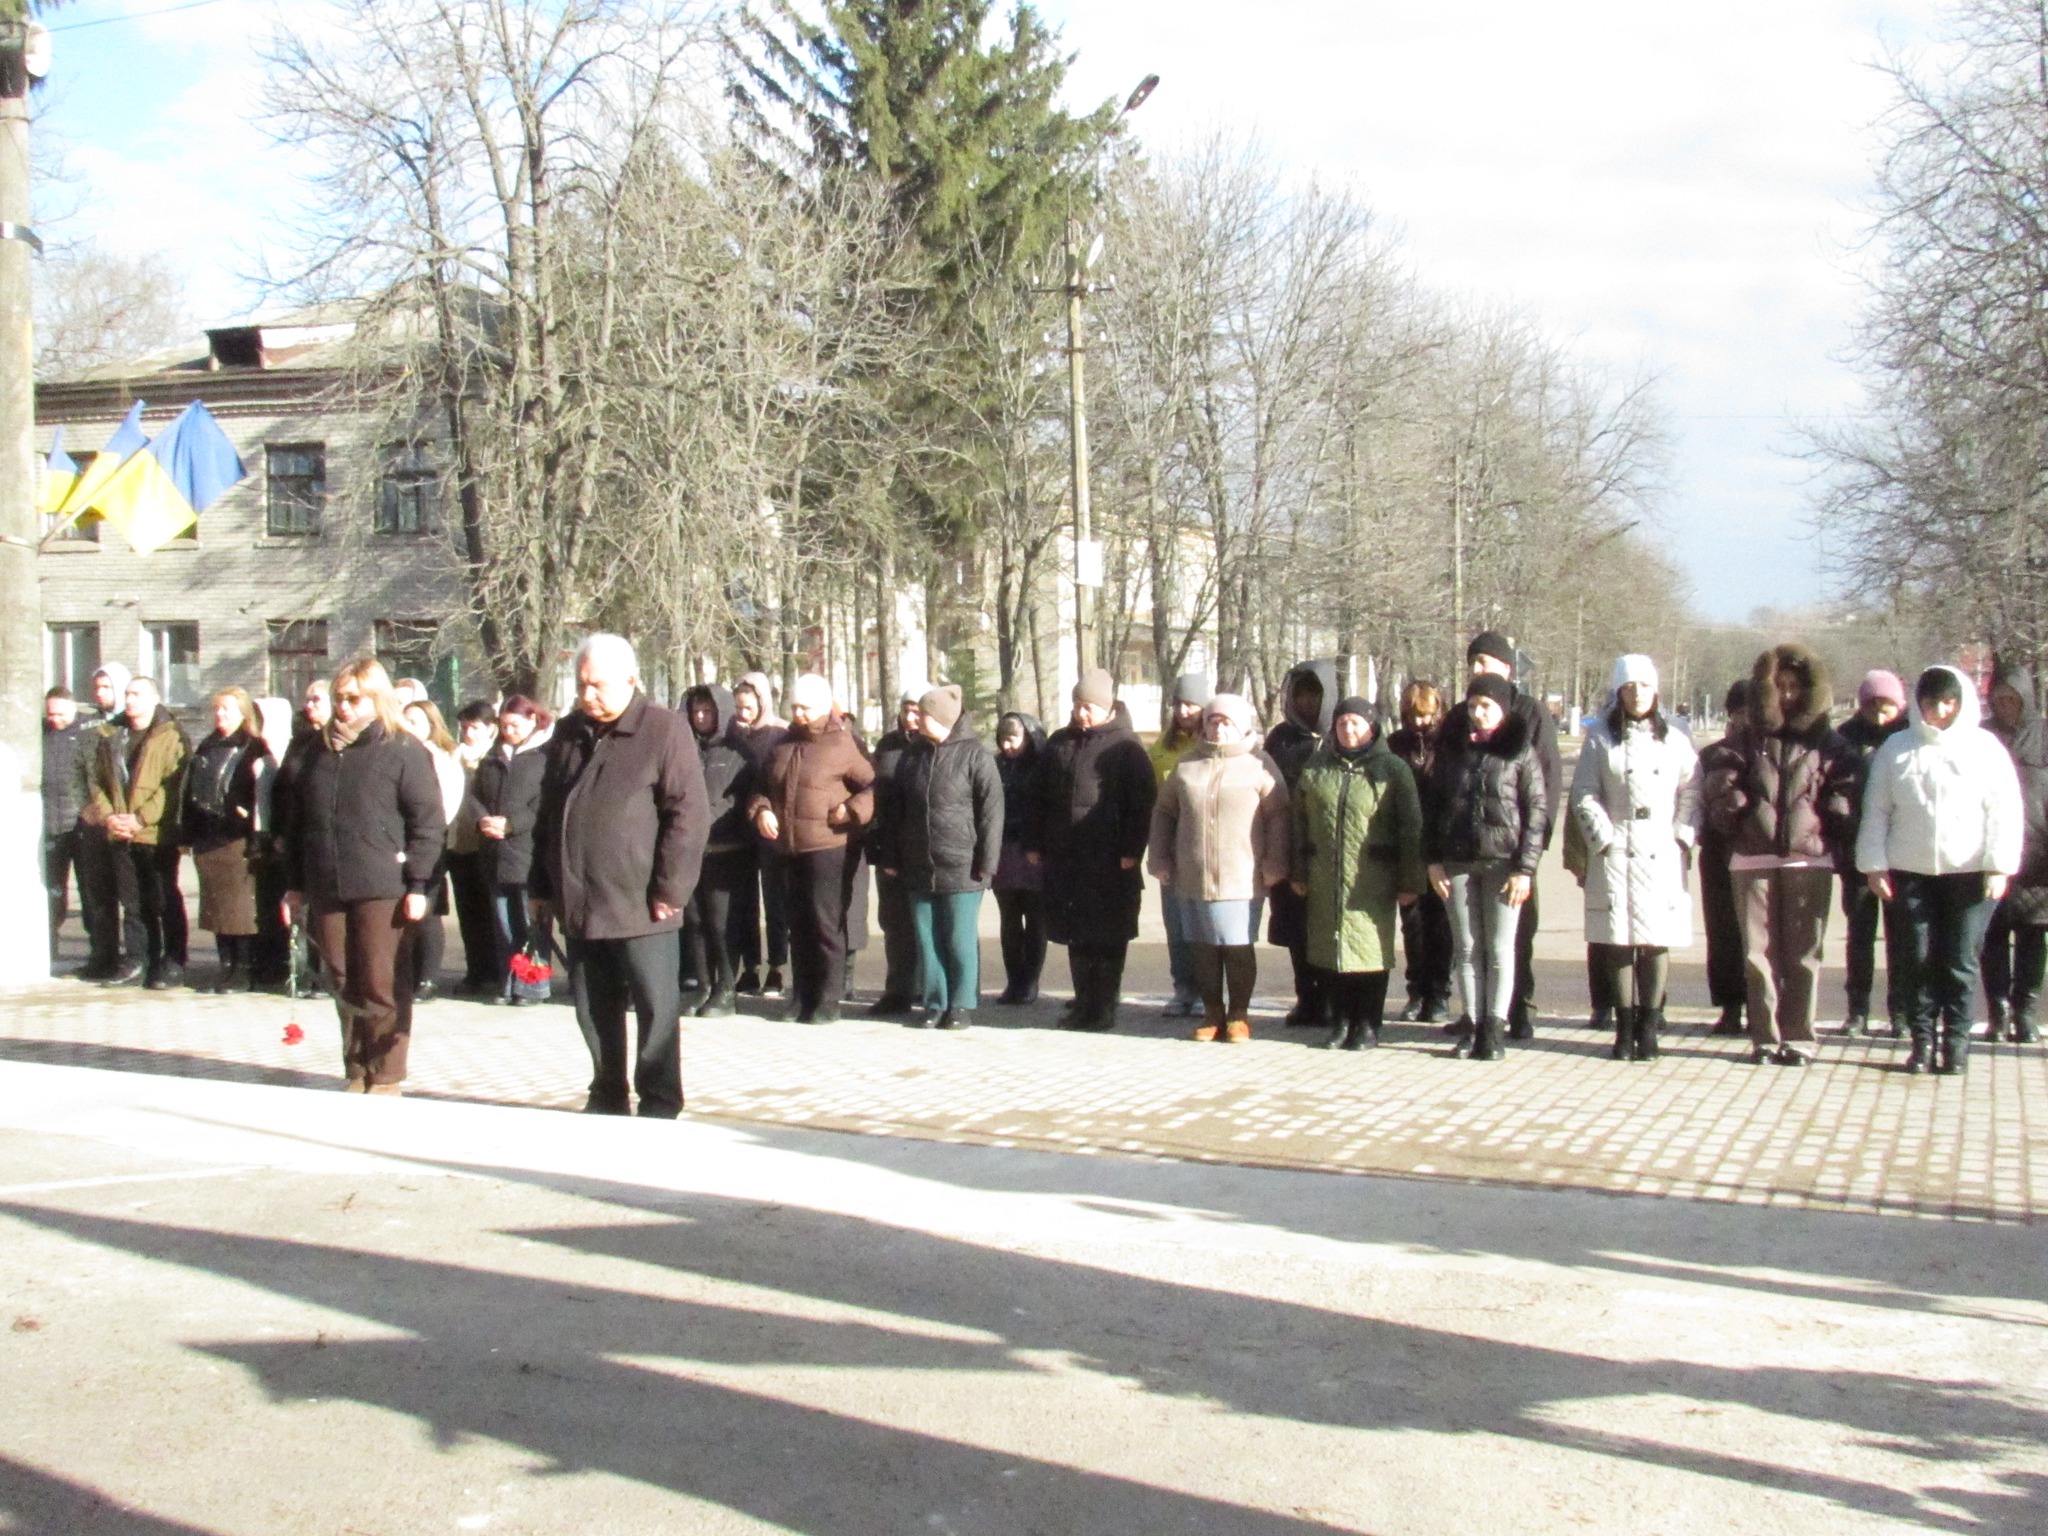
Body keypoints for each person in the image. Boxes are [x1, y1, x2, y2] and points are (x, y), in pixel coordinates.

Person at [532, 634, 710, 1115]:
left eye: (599, 686)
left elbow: (689, 815)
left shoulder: (663, 730)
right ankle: (607, 1092)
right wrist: (541, 886)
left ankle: (659, 1098)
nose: (587, 695)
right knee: (593, 1008)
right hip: (580, 898)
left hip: (643, 902)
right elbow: (548, 813)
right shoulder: (568, 733)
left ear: (631, 680)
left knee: (656, 1009)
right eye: (581, 685)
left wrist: (671, 888)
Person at [280, 659, 446, 1094]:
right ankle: (357, 1067)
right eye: (339, 698)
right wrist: (294, 884)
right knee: (340, 978)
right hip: (327, 882)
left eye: (355, 699)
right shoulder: (316, 751)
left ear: (377, 699)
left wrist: (419, 883)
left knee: (379, 980)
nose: (344, 707)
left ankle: (386, 1072)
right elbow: (296, 824)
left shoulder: (402, 749)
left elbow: (428, 823)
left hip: (383, 885)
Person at [1858, 666, 2023, 1075]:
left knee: (1959, 962)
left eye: (1949, 702)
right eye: (1932, 703)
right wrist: (1874, 865)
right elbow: (1876, 811)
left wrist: (1999, 866)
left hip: (1970, 873)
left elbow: (2004, 811)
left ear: (1961, 703)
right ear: (1919, 704)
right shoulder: (1897, 748)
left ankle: (1957, 1046)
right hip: (1910, 872)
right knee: (1916, 960)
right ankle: (1922, 1043)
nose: (1941, 711)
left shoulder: (1985, 748)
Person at [1702, 644, 1854, 1067]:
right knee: (1758, 954)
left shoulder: (1828, 741)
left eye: (1794, 687)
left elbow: (1845, 786)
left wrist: (1830, 821)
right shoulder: (1745, 739)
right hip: (1753, 858)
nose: (1786, 694)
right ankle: (1765, 1037)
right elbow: (1720, 782)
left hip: (1808, 859)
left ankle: (1799, 1037)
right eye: (1779, 686)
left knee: (1804, 954)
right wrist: (1738, 811)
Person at [1568, 655, 1702, 1062]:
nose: (1637, 694)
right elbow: (1584, 791)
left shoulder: (1675, 736)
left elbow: (1693, 787)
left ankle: (1649, 1026)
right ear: (1619, 692)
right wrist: (1602, 836)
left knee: (1656, 938)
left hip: (1661, 845)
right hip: (1617, 845)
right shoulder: (1600, 737)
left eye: (1644, 686)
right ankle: (1623, 1027)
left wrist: (1682, 834)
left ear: (1655, 690)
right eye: (1629, 687)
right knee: (1618, 939)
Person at [1147, 694, 1289, 1043]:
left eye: (1226, 723)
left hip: (1242, 874)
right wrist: (1160, 858)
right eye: (1212, 722)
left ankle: (1238, 1013)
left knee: (1236, 945)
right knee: (1202, 947)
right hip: (1193, 874)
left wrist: (1275, 862)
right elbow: (1164, 812)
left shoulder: (1259, 764)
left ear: (1241, 726)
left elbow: (1279, 816)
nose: (1218, 729)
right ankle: (1212, 1012)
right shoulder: (1188, 764)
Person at [1425, 673, 1551, 1061]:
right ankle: (1472, 1023)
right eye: (1473, 705)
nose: (1479, 713)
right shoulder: (1452, 749)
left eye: (1487, 706)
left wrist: (1524, 869)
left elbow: (1536, 813)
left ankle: (1494, 1029)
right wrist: (1433, 861)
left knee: (1499, 948)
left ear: (1503, 710)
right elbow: (1432, 807)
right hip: (1458, 861)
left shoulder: (1519, 752)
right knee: (1466, 948)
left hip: (1503, 865)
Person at [1027, 669, 1158, 1033]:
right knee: (1076, 935)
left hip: (1109, 860)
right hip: (1066, 860)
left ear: (1107, 707)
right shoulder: (1060, 743)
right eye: (1077, 705)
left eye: (1089, 707)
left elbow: (1141, 803)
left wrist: (1132, 849)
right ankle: (1083, 1003)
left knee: (1107, 937)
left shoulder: (1127, 748)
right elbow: (1038, 796)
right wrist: (1035, 841)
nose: (1081, 713)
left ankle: (1104, 1007)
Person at [1291, 696, 1424, 1050]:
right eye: (1341, 724)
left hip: (1373, 878)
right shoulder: (1317, 768)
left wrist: (1410, 881)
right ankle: (1340, 1020)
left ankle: (1367, 1023)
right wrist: (1299, 871)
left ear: (1372, 727)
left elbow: (1411, 828)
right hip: (1325, 874)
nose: (1348, 730)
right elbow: (1299, 823)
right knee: (1330, 948)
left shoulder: (1392, 768)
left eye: (1356, 723)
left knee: (1369, 950)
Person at [748, 673, 874, 1024]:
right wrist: (761, 810)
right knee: (798, 925)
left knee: (825, 925)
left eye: (805, 707)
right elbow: (760, 788)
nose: (798, 714)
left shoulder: (842, 744)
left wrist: (851, 810)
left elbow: (874, 787)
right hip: (787, 848)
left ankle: (828, 999)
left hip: (827, 847)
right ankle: (801, 995)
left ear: (822, 705)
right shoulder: (782, 744)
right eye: (794, 707)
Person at [875, 684, 1002, 1030]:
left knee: (959, 938)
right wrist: (892, 855)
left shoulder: (976, 756)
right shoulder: (912, 756)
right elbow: (896, 811)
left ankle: (961, 1004)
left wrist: (987, 863)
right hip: (918, 864)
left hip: (963, 866)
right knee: (927, 938)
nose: (916, 720)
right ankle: (935, 1003)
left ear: (942, 719)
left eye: (924, 715)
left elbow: (992, 814)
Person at [1457, 632, 1563, 1040]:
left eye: (1484, 661)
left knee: (1516, 933)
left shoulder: (1530, 712)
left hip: (1514, 848)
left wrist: (1531, 853)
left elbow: (1546, 783)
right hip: (1469, 847)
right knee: (1472, 938)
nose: (1476, 669)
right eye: (1472, 662)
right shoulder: (1464, 713)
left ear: (1507, 666)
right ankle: (1475, 1014)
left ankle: (1519, 1009)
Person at [86, 675, 190, 990]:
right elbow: (96, 780)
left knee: (163, 897)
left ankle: (173, 960)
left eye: (137, 694)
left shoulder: (171, 735)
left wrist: (140, 819)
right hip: (120, 830)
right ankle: (139, 960)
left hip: (155, 833)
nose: (130, 700)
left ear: (154, 699)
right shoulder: (112, 733)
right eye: (128, 694)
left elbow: (172, 786)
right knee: (132, 902)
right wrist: (110, 817)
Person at [1261, 660, 1338, 1027]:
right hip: (1288, 844)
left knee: (1328, 928)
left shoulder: (1341, 734)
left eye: (1314, 695)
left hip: (1329, 849)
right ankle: (1307, 998)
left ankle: (1333, 999)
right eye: (1300, 695)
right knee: (1295, 929)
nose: (1307, 702)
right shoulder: (1280, 738)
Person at [181, 686, 271, 993]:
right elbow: (190, 789)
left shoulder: (252, 747)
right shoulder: (207, 745)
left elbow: (259, 795)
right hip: (207, 838)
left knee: (239, 912)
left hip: (235, 839)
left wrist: (250, 827)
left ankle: (243, 970)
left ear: (243, 713)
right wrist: (188, 832)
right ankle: (226, 966)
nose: (219, 715)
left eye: (227, 709)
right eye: (217, 709)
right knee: (216, 909)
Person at [1837, 670, 1910, 1037]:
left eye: (1887, 708)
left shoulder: (1910, 736)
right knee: (1860, 935)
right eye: (1872, 708)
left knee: (1902, 937)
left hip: (1902, 850)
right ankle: (1858, 1009)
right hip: (1857, 850)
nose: (1880, 717)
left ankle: (1901, 1010)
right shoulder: (1846, 738)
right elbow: (1834, 789)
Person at [1981, 665, 2048, 1042]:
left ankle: (2025, 1012)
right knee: (1992, 937)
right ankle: (1998, 1012)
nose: (2006, 704)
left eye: (2013, 698)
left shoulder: (2044, 735)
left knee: (2033, 937)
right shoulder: (1981, 737)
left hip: (2037, 856)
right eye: (2000, 698)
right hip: (1989, 852)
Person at [679, 681, 754, 1018]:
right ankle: (703, 984)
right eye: (695, 710)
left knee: (721, 924)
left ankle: (726, 988)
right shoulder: (683, 750)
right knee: (694, 921)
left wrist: (709, 816)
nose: (700, 717)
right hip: (690, 849)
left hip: (726, 849)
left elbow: (740, 797)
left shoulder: (738, 752)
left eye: (707, 711)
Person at [474, 695, 554, 1004]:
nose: (509, 731)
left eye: (515, 725)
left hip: (528, 853)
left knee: (531, 924)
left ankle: (532, 985)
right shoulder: (493, 756)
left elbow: (543, 804)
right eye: (504, 725)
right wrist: (482, 819)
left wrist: (512, 824)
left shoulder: (544, 755)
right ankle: (508, 982)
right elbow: (474, 795)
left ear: (533, 720)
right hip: (495, 852)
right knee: (505, 925)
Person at [1149, 672, 1214, 1017]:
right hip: (1171, 844)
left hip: (1205, 844)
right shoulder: (1163, 747)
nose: (1184, 711)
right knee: (1176, 923)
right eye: (1178, 704)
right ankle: (1183, 988)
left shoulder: (1213, 741)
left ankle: (1208, 989)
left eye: (1191, 704)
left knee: (1203, 922)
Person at [1388, 681, 1452, 1023]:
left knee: (1441, 923)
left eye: (1426, 716)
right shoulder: (1396, 745)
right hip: (1407, 845)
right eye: (1413, 716)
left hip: (1441, 844)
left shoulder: (1448, 744)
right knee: (1412, 923)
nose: (1420, 723)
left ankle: (1439, 992)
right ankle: (1417, 991)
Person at [400, 699, 467, 1001]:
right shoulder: (398, 754)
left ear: (432, 726)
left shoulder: (440, 759)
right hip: (399, 842)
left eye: (415, 721)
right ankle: (407, 972)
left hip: (430, 839)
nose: (408, 727)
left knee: (428, 908)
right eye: (405, 720)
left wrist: (428, 831)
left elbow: (448, 803)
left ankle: (428, 977)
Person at [270, 679, 333, 997]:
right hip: (298, 832)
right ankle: (302, 972)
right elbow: (283, 788)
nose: (309, 706)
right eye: (307, 700)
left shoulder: (336, 741)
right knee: (299, 907)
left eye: (317, 699)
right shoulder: (301, 741)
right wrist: (280, 830)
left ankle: (327, 974)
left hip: (325, 834)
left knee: (325, 909)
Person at [728, 670, 789, 999]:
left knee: (775, 901)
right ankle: (749, 967)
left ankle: (777, 967)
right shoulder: (733, 736)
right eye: (738, 707)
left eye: (749, 708)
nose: (743, 714)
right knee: (744, 903)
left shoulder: (779, 734)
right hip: (738, 829)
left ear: (763, 703)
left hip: (770, 828)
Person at [865, 692, 926, 1017]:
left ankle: (932, 990)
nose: (912, 718)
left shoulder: (938, 744)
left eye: (918, 711)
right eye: (907, 711)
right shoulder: (887, 746)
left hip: (925, 848)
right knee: (895, 923)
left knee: (927, 923)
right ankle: (898, 990)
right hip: (889, 847)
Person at [71, 664, 131, 980]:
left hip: (124, 818)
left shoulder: (129, 725)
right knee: (97, 893)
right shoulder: (89, 727)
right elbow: (81, 771)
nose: (100, 694)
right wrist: (87, 806)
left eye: (106, 687)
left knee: (131, 895)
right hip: (95, 820)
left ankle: (134, 957)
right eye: (96, 688)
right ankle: (102, 954)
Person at [1700, 679, 1750, 1036]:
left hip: (1757, 851)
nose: (1748, 719)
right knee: (1723, 933)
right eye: (1741, 712)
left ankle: (1762, 1005)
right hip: (1718, 853)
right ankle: (1730, 1007)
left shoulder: (1768, 752)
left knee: (1759, 935)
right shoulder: (1710, 756)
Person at [991, 711, 1048, 1003]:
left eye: (1013, 739)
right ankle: (1014, 981)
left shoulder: (1043, 767)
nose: (1007, 746)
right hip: (1003, 850)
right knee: (1009, 919)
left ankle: (1030, 981)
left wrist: (1037, 842)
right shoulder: (996, 765)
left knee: (1036, 918)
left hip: (1034, 852)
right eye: (1002, 739)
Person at [446, 701, 500, 997]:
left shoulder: (496, 756)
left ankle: (497, 972)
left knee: (492, 913)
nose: (468, 733)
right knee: (468, 913)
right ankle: (476, 971)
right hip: (460, 845)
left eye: (475, 727)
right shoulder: (454, 757)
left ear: (491, 728)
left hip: (489, 846)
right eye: (465, 727)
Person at [40, 687, 94, 959]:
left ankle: (101, 953)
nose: (55, 719)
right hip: (51, 824)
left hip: (81, 825)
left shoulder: (88, 732)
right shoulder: (41, 734)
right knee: (52, 890)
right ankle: (49, 946)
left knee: (90, 890)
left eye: (60, 714)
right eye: (50, 714)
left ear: (73, 709)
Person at [248, 697, 297, 989]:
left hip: (281, 840)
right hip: (262, 840)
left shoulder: (289, 753)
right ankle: (267, 964)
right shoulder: (257, 755)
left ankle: (286, 965)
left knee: (283, 906)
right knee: (265, 906)